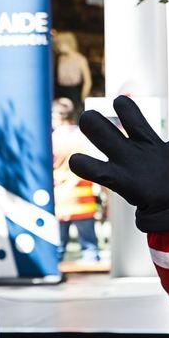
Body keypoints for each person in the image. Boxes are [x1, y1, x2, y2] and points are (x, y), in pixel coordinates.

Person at [52, 97, 101, 263]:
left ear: (57, 117)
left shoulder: (52, 139)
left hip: (60, 200)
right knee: (90, 249)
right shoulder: (84, 137)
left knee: (57, 250)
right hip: (84, 201)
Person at [52, 32, 92, 114]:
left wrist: (83, 98)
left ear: (67, 43)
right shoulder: (60, 58)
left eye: (60, 44)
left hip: (74, 92)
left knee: (74, 115)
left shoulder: (81, 59)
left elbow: (88, 81)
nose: (58, 46)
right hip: (60, 91)